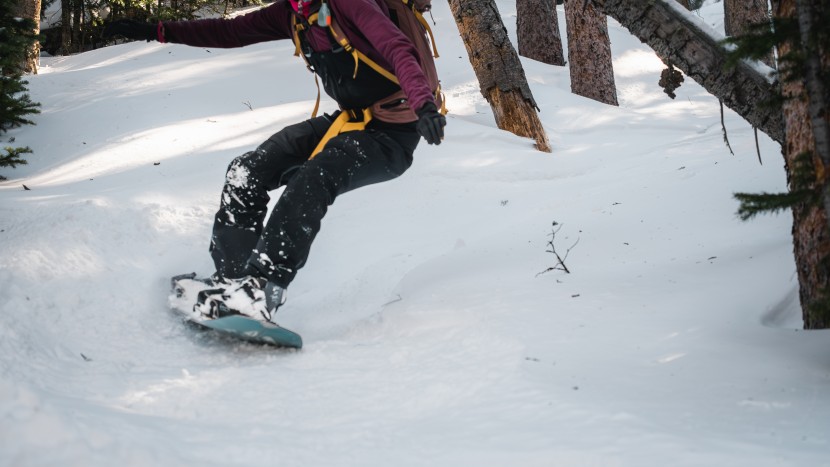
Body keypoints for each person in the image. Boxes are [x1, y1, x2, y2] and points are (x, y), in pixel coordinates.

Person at [104, 0, 446, 323]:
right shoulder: (293, 13)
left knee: (313, 178)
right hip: (349, 121)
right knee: (247, 171)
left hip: (393, 133)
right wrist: (156, 31)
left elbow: (398, 48)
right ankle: (233, 281)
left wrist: (424, 105)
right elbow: (229, 32)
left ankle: (261, 289)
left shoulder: (349, 3)